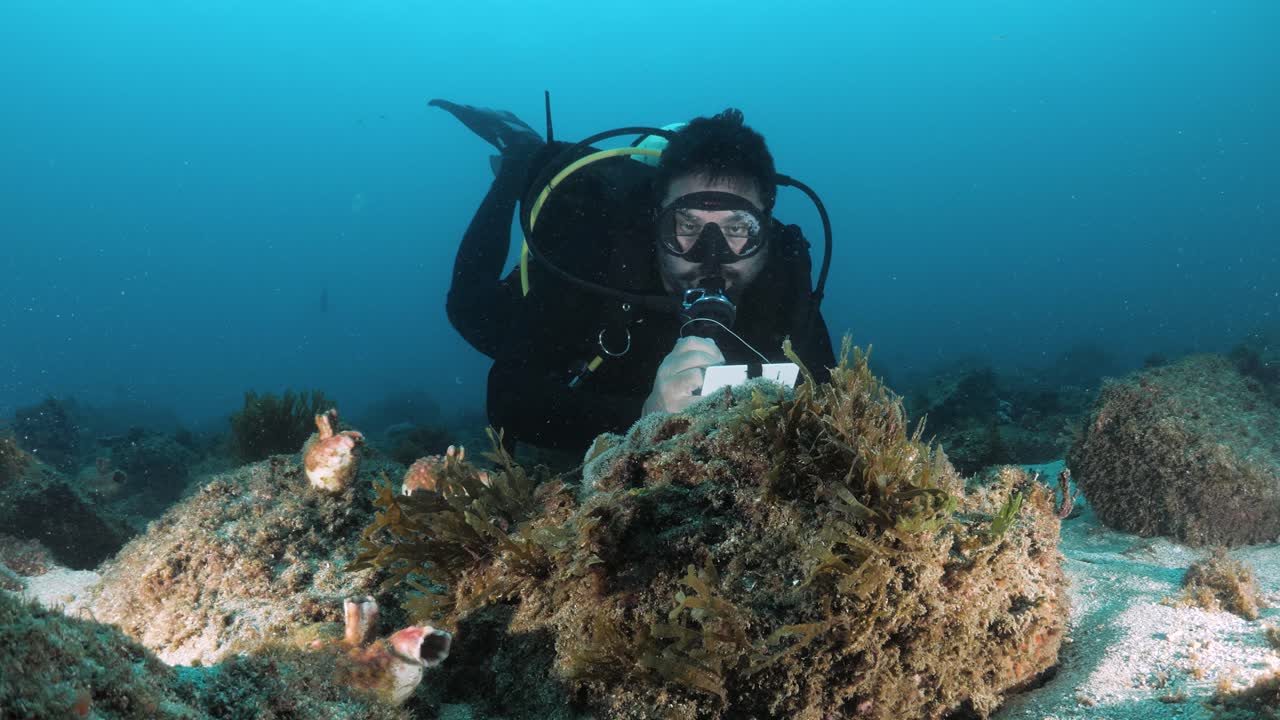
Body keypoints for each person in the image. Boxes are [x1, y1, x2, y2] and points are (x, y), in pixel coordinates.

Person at [433, 99, 836, 453]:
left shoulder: (781, 273)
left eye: (736, 229)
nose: (710, 258)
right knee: (470, 312)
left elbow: (827, 397)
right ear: (655, 223)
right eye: (687, 226)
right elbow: (509, 400)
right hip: (597, 320)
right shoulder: (599, 250)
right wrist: (647, 418)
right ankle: (519, 158)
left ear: (765, 232)